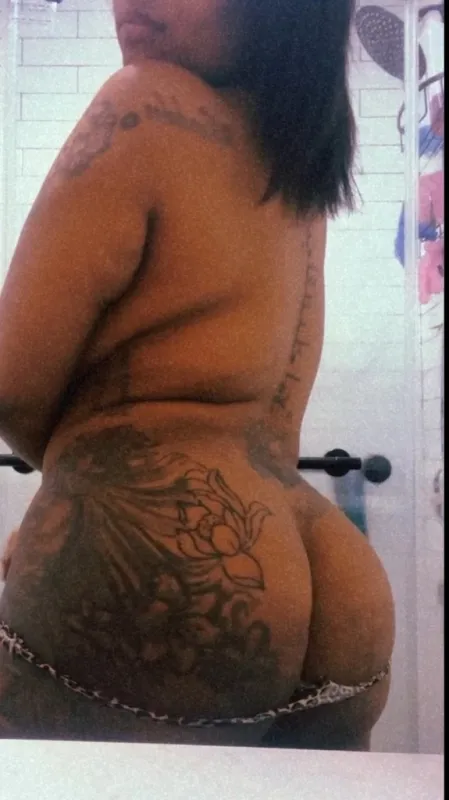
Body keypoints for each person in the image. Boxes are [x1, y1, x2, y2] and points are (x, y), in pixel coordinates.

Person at [0, 0, 394, 748]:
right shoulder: (294, 171)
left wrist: (87, 499)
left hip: (175, 574)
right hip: (339, 588)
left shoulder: (143, 105)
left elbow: (11, 383)